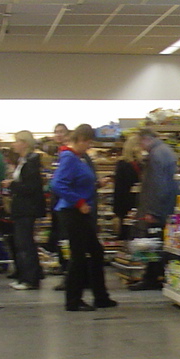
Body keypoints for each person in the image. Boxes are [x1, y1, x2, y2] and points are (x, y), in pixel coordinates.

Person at [49, 123, 117, 312]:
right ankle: (74, 300)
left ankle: (100, 297)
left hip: (77, 211)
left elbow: (76, 184)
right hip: (72, 212)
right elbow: (57, 185)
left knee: (95, 253)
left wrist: (96, 185)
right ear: (79, 139)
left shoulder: (77, 158)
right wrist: (79, 202)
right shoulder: (69, 158)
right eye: (87, 142)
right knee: (79, 256)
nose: (89, 146)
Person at [130, 127, 178, 290]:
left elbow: (157, 184)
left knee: (153, 242)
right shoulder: (166, 150)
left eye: (140, 142)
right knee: (161, 242)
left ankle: (151, 278)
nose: (140, 147)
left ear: (145, 139)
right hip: (168, 205)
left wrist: (152, 211)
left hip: (159, 207)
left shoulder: (156, 154)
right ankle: (160, 276)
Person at [6, 131, 45, 290]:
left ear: (25, 143)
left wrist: (12, 185)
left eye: (16, 141)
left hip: (26, 208)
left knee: (25, 244)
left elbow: (31, 187)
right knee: (22, 243)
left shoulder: (30, 163)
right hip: (22, 208)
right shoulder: (23, 161)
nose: (13, 144)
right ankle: (24, 276)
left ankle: (30, 279)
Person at [112, 134, 141, 240]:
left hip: (138, 203)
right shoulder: (123, 164)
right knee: (127, 232)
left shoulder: (142, 163)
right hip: (126, 205)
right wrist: (117, 213)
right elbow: (118, 189)